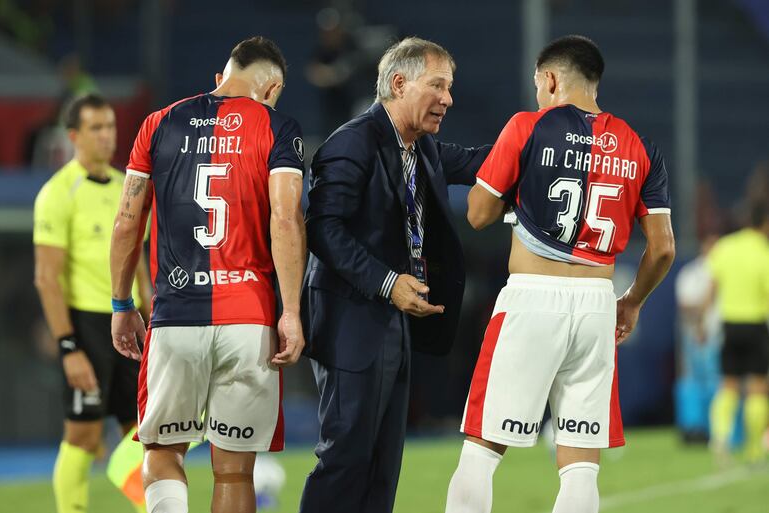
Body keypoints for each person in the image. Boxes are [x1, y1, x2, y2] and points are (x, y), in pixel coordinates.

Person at [444, 35, 676, 513]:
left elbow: (478, 213)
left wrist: (516, 188)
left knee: (480, 452)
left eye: (537, 84)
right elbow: (664, 248)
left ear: (549, 79)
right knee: (579, 467)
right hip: (596, 306)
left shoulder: (528, 127)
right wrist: (631, 300)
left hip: (532, 300)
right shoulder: (639, 146)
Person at [109, 36, 306, 513]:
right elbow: (286, 219)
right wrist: (293, 312)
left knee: (161, 452)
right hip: (249, 320)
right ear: (273, 87)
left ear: (220, 78)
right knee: (235, 469)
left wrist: (121, 304)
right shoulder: (277, 127)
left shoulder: (158, 124)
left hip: (175, 317)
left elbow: (127, 222)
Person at [299, 37, 490, 513]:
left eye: (450, 87)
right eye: (439, 85)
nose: (448, 98)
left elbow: (476, 160)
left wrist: (538, 137)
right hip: (351, 319)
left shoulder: (419, 147)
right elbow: (323, 229)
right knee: (346, 457)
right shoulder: (351, 141)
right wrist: (387, 281)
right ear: (399, 83)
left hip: (392, 322)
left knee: (384, 464)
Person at [33, 93, 153, 513]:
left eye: (110, 127)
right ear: (74, 136)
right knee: (83, 436)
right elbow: (47, 277)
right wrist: (68, 346)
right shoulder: (58, 193)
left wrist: (150, 307)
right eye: (96, 128)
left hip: (130, 321)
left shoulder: (128, 186)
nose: (107, 136)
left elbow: (137, 259)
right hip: (86, 325)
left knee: (141, 434)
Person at [707, 203, 769, 465]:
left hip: (729, 325)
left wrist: (702, 320)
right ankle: (754, 449)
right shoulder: (763, 252)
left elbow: (712, 286)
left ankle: (720, 439)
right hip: (755, 325)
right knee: (757, 389)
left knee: (728, 385)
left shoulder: (725, 247)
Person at [674, 235, 720, 443]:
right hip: (696, 335)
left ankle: (716, 429)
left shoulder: (725, 270)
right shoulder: (692, 272)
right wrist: (701, 320)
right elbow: (684, 305)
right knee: (694, 383)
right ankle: (693, 429)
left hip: (720, 335)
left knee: (717, 383)